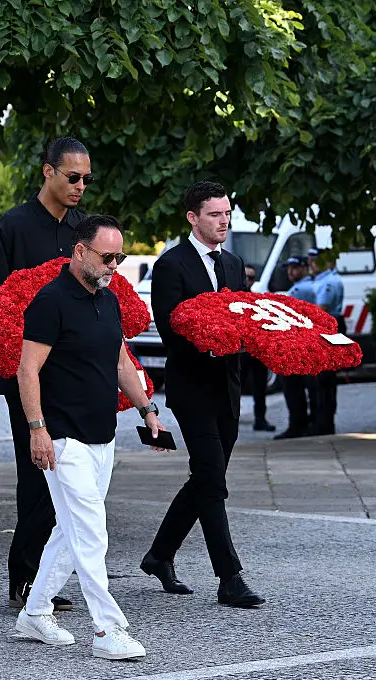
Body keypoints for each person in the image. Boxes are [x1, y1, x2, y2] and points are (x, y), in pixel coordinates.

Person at [14, 215, 159, 658]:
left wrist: (147, 409)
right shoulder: (51, 301)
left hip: (102, 436)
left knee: (70, 530)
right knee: (92, 532)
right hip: (62, 439)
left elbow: (120, 363)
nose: (115, 264)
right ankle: (107, 630)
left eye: (120, 256)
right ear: (80, 252)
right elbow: (27, 370)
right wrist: (38, 430)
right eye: (107, 256)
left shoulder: (109, 300)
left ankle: (34, 613)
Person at [140, 181, 265, 607]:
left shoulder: (233, 264)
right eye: (215, 214)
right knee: (211, 477)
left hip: (227, 388)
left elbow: (246, 318)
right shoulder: (171, 265)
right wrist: (209, 343)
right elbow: (170, 328)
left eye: (227, 213)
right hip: (192, 387)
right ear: (193, 218)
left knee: (207, 480)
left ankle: (159, 556)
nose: (224, 221)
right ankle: (229, 577)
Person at [0, 136, 92, 612]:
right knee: (35, 474)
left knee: (67, 478)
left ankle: (46, 575)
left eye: (87, 179)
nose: (81, 187)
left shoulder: (84, 230)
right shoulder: (11, 226)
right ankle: (24, 578)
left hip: (71, 373)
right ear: (47, 172)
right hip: (25, 370)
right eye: (73, 177)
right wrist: (16, 371)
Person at [274, 256, 318, 440]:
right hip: (304, 343)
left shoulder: (301, 289)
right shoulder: (305, 286)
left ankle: (297, 425)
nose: (290, 272)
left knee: (293, 387)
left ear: (304, 269)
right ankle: (304, 423)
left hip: (296, 345)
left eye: (295, 268)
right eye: (288, 268)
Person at [310, 249, 344, 435]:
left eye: (316, 261)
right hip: (329, 329)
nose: (312, 264)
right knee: (323, 381)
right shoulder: (322, 280)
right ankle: (322, 421)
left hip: (328, 330)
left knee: (323, 381)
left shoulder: (328, 282)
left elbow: (321, 310)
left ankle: (324, 423)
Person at [240, 264, 275, 432]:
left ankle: (260, 419)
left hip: (255, 350)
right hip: (238, 351)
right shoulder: (231, 298)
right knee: (232, 386)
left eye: (251, 277)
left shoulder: (256, 300)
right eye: (245, 276)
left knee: (260, 386)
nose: (248, 280)